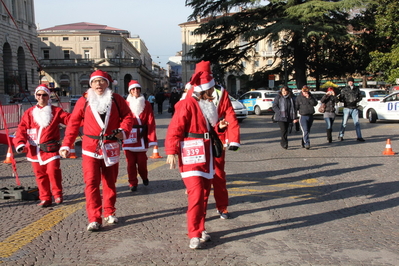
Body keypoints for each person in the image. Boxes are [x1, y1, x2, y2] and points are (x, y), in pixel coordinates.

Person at [165, 61, 228, 249]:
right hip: (191, 155)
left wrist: (219, 127)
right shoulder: (186, 104)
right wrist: (171, 151)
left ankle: (201, 229)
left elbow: (208, 127)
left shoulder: (206, 104)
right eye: (211, 90)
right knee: (196, 194)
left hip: (207, 156)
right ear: (204, 90)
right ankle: (193, 232)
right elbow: (174, 129)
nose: (213, 94)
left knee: (203, 195)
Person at [59, 70, 133, 232]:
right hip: (90, 147)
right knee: (91, 182)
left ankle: (109, 211)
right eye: (95, 82)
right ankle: (94, 218)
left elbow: (128, 116)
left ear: (107, 83)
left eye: (101, 81)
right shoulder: (83, 101)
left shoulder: (116, 99)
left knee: (110, 182)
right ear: (90, 84)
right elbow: (73, 124)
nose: (98, 84)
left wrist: (124, 130)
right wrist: (66, 144)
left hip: (111, 145)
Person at [14, 84, 70, 207]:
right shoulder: (29, 112)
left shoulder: (56, 111)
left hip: (51, 149)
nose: (41, 97)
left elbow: (71, 120)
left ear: (48, 96)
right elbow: (21, 129)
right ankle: (45, 198)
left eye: (44, 95)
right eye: (38, 95)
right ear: (36, 96)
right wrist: (20, 143)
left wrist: (84, 112)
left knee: (53, 171)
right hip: (34, 151)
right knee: (40, 175)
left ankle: (57, 194)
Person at [211, 84, 240, 219]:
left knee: (219, 175)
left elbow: (230, 115)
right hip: (196, 142)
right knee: (198, 179)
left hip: (217, 140)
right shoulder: (191, 93)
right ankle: (197, 211)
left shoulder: (222, 94)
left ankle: (222, 206)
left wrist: (233, 139)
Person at [123, 80, 157, 192]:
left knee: (142, 163)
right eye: (133, 89)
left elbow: (150, 121)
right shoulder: (124, 104)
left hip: (141, 137)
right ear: (130, 91)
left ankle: (144, 176)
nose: (136, 91)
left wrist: (151, 138)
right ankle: (132, 183)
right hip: (128, 137)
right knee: (130, 163)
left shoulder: (146, 104)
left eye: (137, 89)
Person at [337, 77, 365, 142]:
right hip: (347, 107)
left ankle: (359, 136)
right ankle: (341, 135)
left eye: (351, 81)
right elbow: (341, 97)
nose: (350, 82)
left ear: (353, 82)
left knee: (357, 123)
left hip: (354, 108)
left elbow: (360, 96)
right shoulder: (344, 89)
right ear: (347, 82)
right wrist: (342, 100)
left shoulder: (356, 89)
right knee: (344, 123)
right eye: (349, 81)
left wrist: (357, 100)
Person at [295, 85, 317, 149]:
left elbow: (314, 103)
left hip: (310, 115)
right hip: (303, 116)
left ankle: (303, 142)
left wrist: (309, 97)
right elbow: (296, 107)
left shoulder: (311, 96)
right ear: (302, 90)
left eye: (306, 90)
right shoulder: (299, 98)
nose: (305, 92)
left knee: (308, 130)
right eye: (304, 90)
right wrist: (295, 117)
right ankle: (307, 143)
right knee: (305, 130)